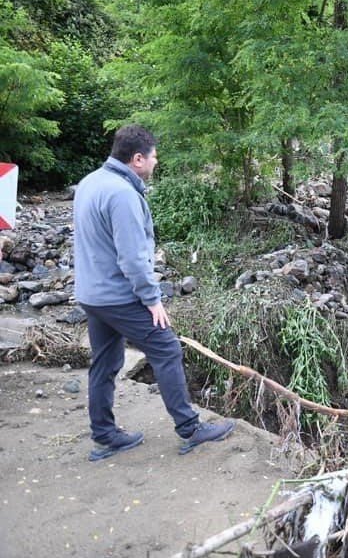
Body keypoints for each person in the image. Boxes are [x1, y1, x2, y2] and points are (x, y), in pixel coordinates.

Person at [74, 124, 235, 461]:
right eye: (153, 157)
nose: (156, 163)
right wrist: (152, 299)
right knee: (166, 349)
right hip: (118, 296)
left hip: (91, 293)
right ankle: (191, 428)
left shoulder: (90, 182)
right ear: (137, 159)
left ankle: (104, 434)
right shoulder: (122, 194)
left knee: (104, 362)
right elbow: (132, 258)